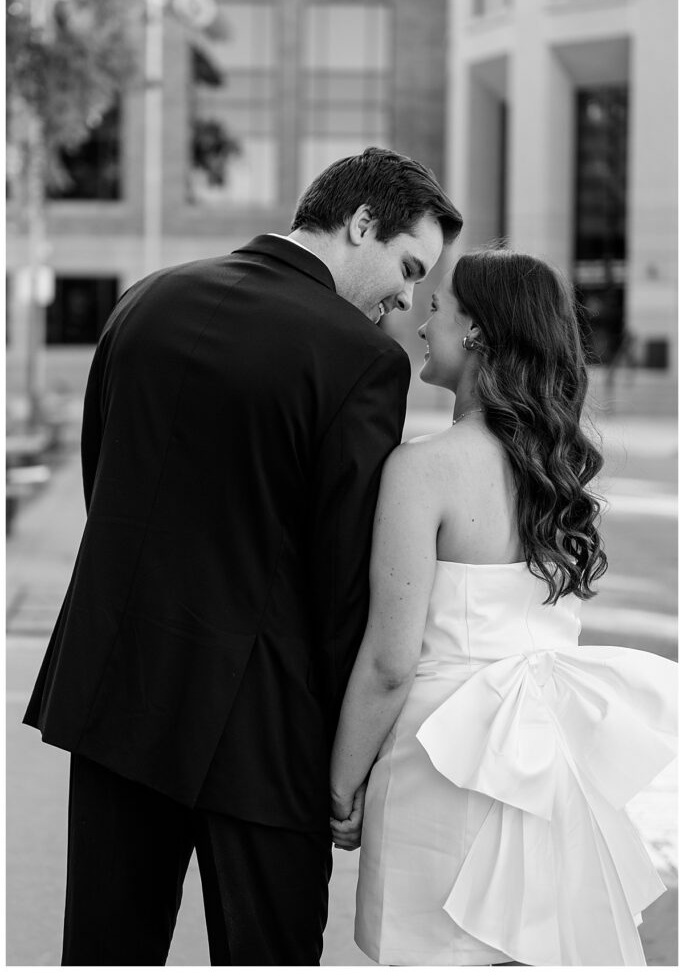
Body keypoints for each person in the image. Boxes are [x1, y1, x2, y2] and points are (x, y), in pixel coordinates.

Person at [23, 146, 463, 966]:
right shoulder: (360, 360)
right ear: (360, 223)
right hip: (266, 738)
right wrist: (347, 764)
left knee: (103, 954)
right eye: (407, 266)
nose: (407, 297)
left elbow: (104, 489)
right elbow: (344, 586)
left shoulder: (143, 302)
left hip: (118, 701)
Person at [330, 249, 677, 966]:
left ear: (479, 330)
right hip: (546, 760)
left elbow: (391, 662)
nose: (425, 320)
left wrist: (338, 784)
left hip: (440, 760)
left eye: (439, 305)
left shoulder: (422, 469)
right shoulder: (558, 472)